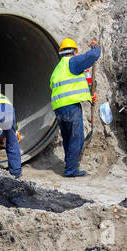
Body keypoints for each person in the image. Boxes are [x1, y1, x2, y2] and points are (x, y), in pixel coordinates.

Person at [50, 37, 100, 177]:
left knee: (68, 137)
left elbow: (67, 87)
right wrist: (95, 47)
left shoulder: (58, 69)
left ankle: (69, 166)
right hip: (71, 107)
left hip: (59, 108)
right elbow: (93, 55)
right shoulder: (72, 62)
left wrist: (89, 98)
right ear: (74, 51)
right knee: (76, 138)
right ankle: (71, 170)